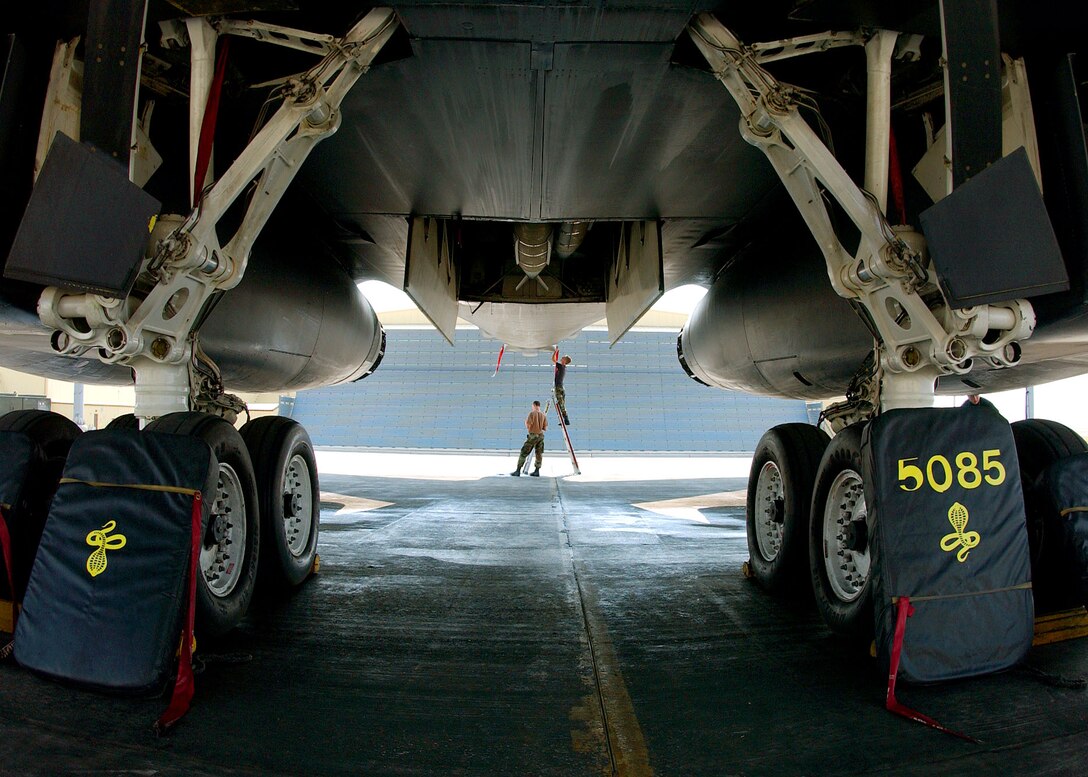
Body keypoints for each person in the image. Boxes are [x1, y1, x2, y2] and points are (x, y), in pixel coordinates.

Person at [511, 400, 547, 477]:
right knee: (539, 454)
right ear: (539, 406)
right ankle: (537, 471)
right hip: (540, 436)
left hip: (533, 435)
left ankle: (518, 471)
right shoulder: (543, 415)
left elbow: (528, 425)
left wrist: (529, 425)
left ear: (534, 405)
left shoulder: (532, 413)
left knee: (524, 452)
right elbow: (545, 428)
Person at [554, 355, 572, 425]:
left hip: (558, 387)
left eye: (563, 358)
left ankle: (566, 419)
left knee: (561, 404)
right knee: (561, 404)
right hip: (561, 387)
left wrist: (555, 352)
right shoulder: (564, 367)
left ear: (564, 361)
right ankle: (564, 420)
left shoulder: (561, 366)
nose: (561, 358)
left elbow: (553, 360)